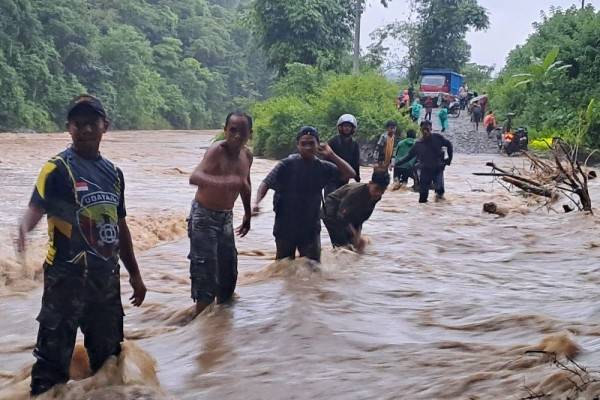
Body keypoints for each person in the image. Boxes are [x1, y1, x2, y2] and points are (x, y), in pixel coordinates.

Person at [17, 95, 147, 396]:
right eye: (79, 124)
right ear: (69, 127)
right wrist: (24, 229)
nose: (86, 129)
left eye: (92, 123)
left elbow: (120, 226)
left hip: (106, 281)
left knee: (109, 363)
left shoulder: (114, 174)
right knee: (51, 366)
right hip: (65, 280)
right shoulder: (57, 169)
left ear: (105, 126)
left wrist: (136, 276)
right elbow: (35, 208)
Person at [253, 126, 355, 262]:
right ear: (297, 145)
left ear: (318, 145)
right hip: (285, 226)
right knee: (283, 267)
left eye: (311, 143)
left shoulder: (323, 167)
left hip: (310, 227)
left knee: (312, 268)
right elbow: (265, 184)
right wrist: (256, 203)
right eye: (303, 144)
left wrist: (331, 155)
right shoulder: (286, 165)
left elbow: (350, 173)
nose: (307, 147)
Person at [188, 112, 253, 315]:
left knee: (228, 277)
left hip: (226, 217)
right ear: (225, 130)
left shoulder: (247, 155)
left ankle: (221, 328)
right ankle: (201, 327)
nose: (236, 136)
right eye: (232, 130)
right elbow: (195, 177)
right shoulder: (217, 151)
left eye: (242, 132)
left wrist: (248, 214)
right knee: (205, 277)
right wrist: (224, 182)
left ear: (249, 134)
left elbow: (245, 184)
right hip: (203, 217)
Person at [321, 170, 390, 252]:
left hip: (347, 214)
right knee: (343, 247)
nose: (379, 193)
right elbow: (342, 216)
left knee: (354, 246)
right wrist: (355, 235)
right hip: (331, 211)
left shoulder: (376, 197)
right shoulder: (356, 193)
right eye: (377, 188)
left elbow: (361, 218)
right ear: (370, 183)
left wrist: (357, 237)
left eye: (382, 190)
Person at [394, 120, 453, 203]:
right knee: (422, 198)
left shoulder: (438, 138)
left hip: (438, 169)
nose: (425, 131)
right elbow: (409, 157)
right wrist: (396, 164)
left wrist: (449, 159)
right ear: (421, 130)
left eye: (427, 129)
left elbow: (449, 144)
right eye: (424, 129)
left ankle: (438, 211)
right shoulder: (418, 144)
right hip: (425, 171)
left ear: (431, 129)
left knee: (439, 193)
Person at [325, 114, 361, 196]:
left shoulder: (354, 144)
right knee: (330, 200)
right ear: (340, 127)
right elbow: (326, 159)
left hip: (345, 177)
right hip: (332, 178)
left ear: (353, 128)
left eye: (349, 126)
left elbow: (356, 162)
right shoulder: (332, 141)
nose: (347, 128)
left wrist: (357, 177)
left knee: (341, 202)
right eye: (345, 126)